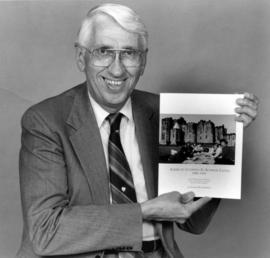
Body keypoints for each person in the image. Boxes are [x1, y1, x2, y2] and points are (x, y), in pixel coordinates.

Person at [16, 3, 259, 258]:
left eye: (129, 53)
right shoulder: (45, 121)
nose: (117, 68)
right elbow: (46, 232)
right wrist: (145, 211)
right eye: (104, 51)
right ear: (81, 57)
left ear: (143, 62)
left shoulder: (168, 115)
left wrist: (226, 144)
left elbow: (193, 222)